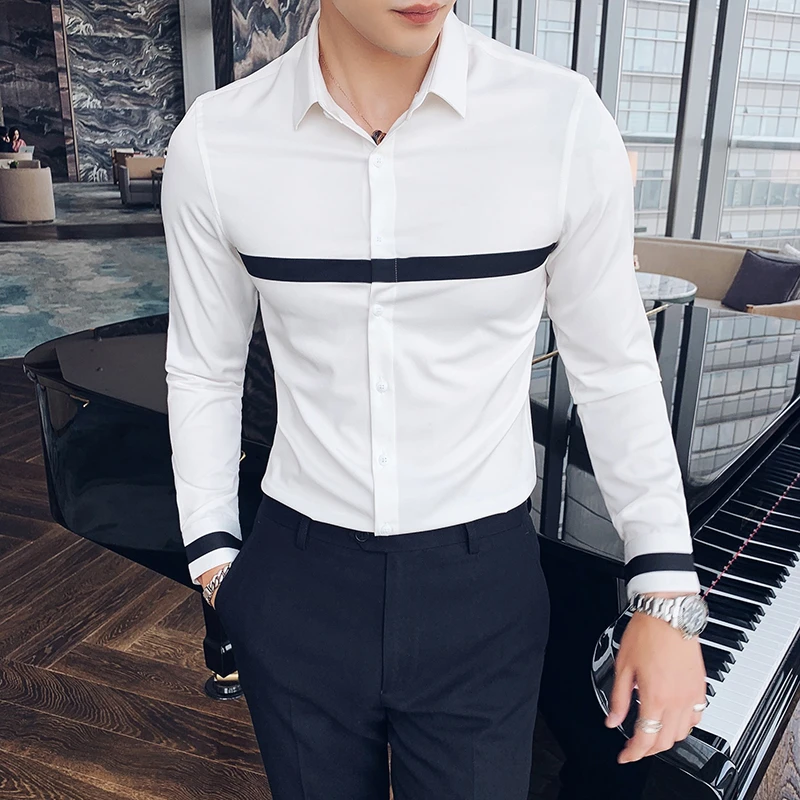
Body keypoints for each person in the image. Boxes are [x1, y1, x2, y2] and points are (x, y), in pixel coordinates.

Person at [160, 2, 709, 798]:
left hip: (483, 591)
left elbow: (614, 365)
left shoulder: (560, 122)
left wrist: (666, 589)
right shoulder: (216, 142)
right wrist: (215, 560)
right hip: (298, 580)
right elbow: (203, 367)